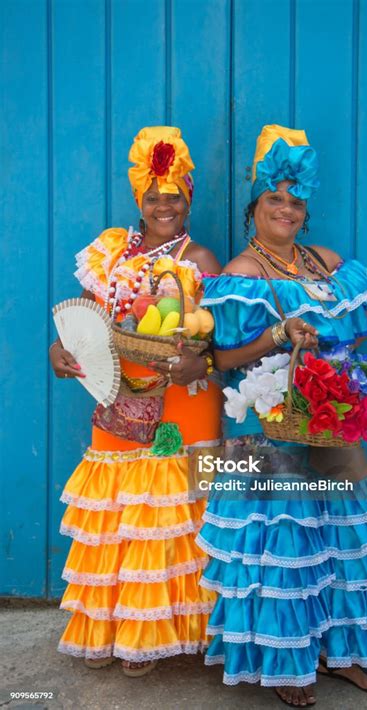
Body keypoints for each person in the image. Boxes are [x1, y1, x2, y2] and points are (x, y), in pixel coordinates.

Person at [196, 125, 367, 706]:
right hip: (269, 433)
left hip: (328, 423)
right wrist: (281, 338)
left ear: (305, 210)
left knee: (342, 544)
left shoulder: (327, 261)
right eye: (273, 198)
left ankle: (345, 656)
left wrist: (331, 360)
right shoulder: (242, 274)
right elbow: (221, 357)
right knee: (285, 550)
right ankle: (289, 664)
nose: (285, 208)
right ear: (253, 206)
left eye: (295, 200)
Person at [49, 126, 222, 676]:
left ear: (187, 199)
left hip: (183, 398)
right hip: (120, 397)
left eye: (173, 197)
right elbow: (87, 320)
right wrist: (60, 346)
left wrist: (204, 359)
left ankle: (168, 631)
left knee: (174, 510)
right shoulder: (109, 254)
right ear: (139, 201)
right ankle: (123, 627)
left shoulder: (200, 257)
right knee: (123, 511)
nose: (163, 206)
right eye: (153, 197)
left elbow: (217, 335)